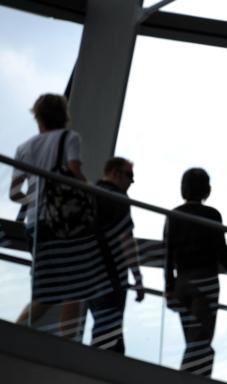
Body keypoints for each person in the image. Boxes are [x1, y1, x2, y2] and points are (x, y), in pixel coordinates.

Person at [9, 93, 86, 340]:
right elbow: (75, 174)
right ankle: (67, 345)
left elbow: (14, 193)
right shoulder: (69, 138)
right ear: (63, 115)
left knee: (48, 292)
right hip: (61, 224)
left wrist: (35, 202)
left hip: (34, 224)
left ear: (38, 117)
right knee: (73, 289)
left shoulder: (23, 148)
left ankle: (13, 334)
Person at [164, 168, 227, 377]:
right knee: (201, 340)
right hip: (206, 282)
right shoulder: (211, 215)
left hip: (182, 282)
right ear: (206, 189)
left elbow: (168, 254)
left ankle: (192, 381)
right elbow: (222, 251)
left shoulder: (173, 215)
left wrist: (169, 287)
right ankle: (189, 383)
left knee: (194, 338)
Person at [87, 157, 145, 353]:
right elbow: (125, 238)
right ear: (114, 172)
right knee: (108, 334)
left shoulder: (89, 192)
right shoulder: (118, 198)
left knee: (106, 328)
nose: (132, 181)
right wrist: (138, 277)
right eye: (129, 175)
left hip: (88, 271)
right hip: (110, 272)